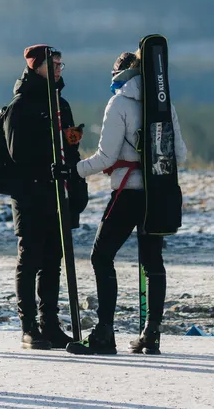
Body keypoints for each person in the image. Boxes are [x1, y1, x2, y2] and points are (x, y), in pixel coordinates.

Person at [58, 51, 187, 356]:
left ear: (119, 74)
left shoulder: (119, 103)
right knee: (152, 262)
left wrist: (71, 170)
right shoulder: (163, 101)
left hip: (128, 193)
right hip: (159, 194)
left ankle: (105, 332)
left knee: (101, 257)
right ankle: (151, 333)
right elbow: (179, 155)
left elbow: (105, 157)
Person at [3, 45, 89, 350]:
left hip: (58, 195)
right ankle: (28, 327)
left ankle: (49, 323)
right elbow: (17, 152)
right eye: (53, 64)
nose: (57, 69)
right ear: (35, 67)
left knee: (54, 259)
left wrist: (73, 176)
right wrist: (46, 162)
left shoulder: (61, 105)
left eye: (60, 65)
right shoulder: (21, 105)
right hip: (30, 194)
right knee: (30, 259)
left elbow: (71, 146)